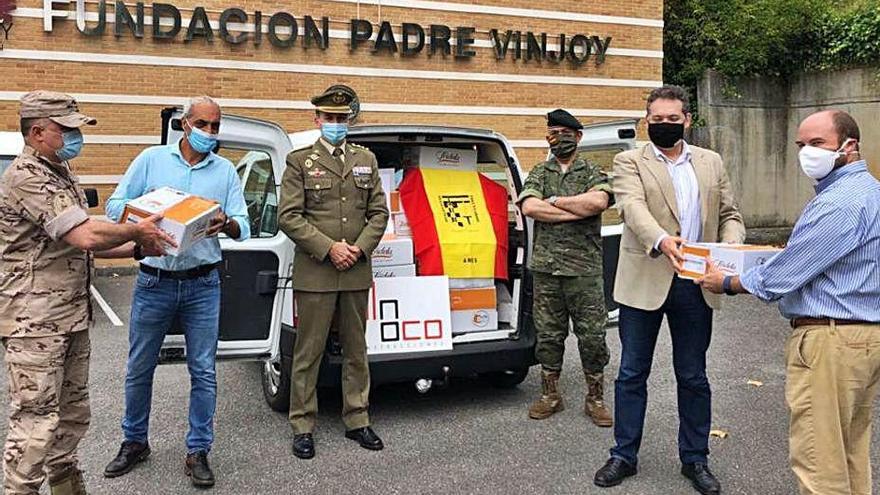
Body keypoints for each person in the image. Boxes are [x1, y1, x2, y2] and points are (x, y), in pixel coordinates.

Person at [698, 110, 880, 495]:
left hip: (830, 341)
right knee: (849, 453)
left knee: (819, 464)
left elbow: (784, 275)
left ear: (850, 147)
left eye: (817, 144)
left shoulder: (840, 203)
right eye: (801, 145)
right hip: (862, 337)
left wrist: (729, 281)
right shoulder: (871, 193)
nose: (806, 154)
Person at [0, 90, 171, 495]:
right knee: (35, 423)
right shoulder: (27, 176)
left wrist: (137, 248)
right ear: (38, 131)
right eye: (67, 129)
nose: (76, 137)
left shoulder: (61, 173)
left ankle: (66, 485)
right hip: (35, 324)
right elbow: (87, 231)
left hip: (70, 317)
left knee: (71, 416)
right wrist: (138, 228)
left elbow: (78, 243)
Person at [593, 85, 745, 495]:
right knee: (631, 373)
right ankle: (624, 454)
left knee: (693, 376)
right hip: (646, 278)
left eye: (672, 119)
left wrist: (730, 244)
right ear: (647, 121)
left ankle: (695, 459)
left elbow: (730, 214)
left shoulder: (711, 162)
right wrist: (662, 240)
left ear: (687, 120)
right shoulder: (629, 160)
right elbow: (630, 206)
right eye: (656, 120)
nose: (663, 125)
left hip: (697, 284)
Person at [102, 96, 250, 488]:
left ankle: (198, 450)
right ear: (185, 124)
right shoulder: (152, 160)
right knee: (139, 367)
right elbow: (114, 207)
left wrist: (226, 224)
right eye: (203, 124)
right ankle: (134, 442)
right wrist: (146, 215)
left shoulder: (226, 172)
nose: (210, 133)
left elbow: (245, 227)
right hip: (155, 280)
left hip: (204, 282)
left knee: (203, 370)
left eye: (216, 127)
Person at [278, 86, 389, 460]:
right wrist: (331, 248)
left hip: (356, 270)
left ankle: (357, 419)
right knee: (308, 353)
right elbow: (289, 216)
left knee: (357, 351)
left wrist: (357, 248)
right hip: (318, 272)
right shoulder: (299, 162)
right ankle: (302, 425)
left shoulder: (366, 160)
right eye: (330, 119)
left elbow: (379, 213)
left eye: (342, 119)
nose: (336, 125)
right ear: (317, 120)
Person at [517, 109, 614, 426]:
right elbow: (530, 207)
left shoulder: (592, 171)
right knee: (548, 336)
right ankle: (550, 395)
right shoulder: (539, 172)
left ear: (578, 136)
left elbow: (598, 202)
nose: (557, 139)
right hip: (546, 271)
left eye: (563, 132)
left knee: (592, 337)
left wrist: (554, 201)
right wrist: (575, 208)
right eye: (552, 133)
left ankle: (595, 398)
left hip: (584, 271)